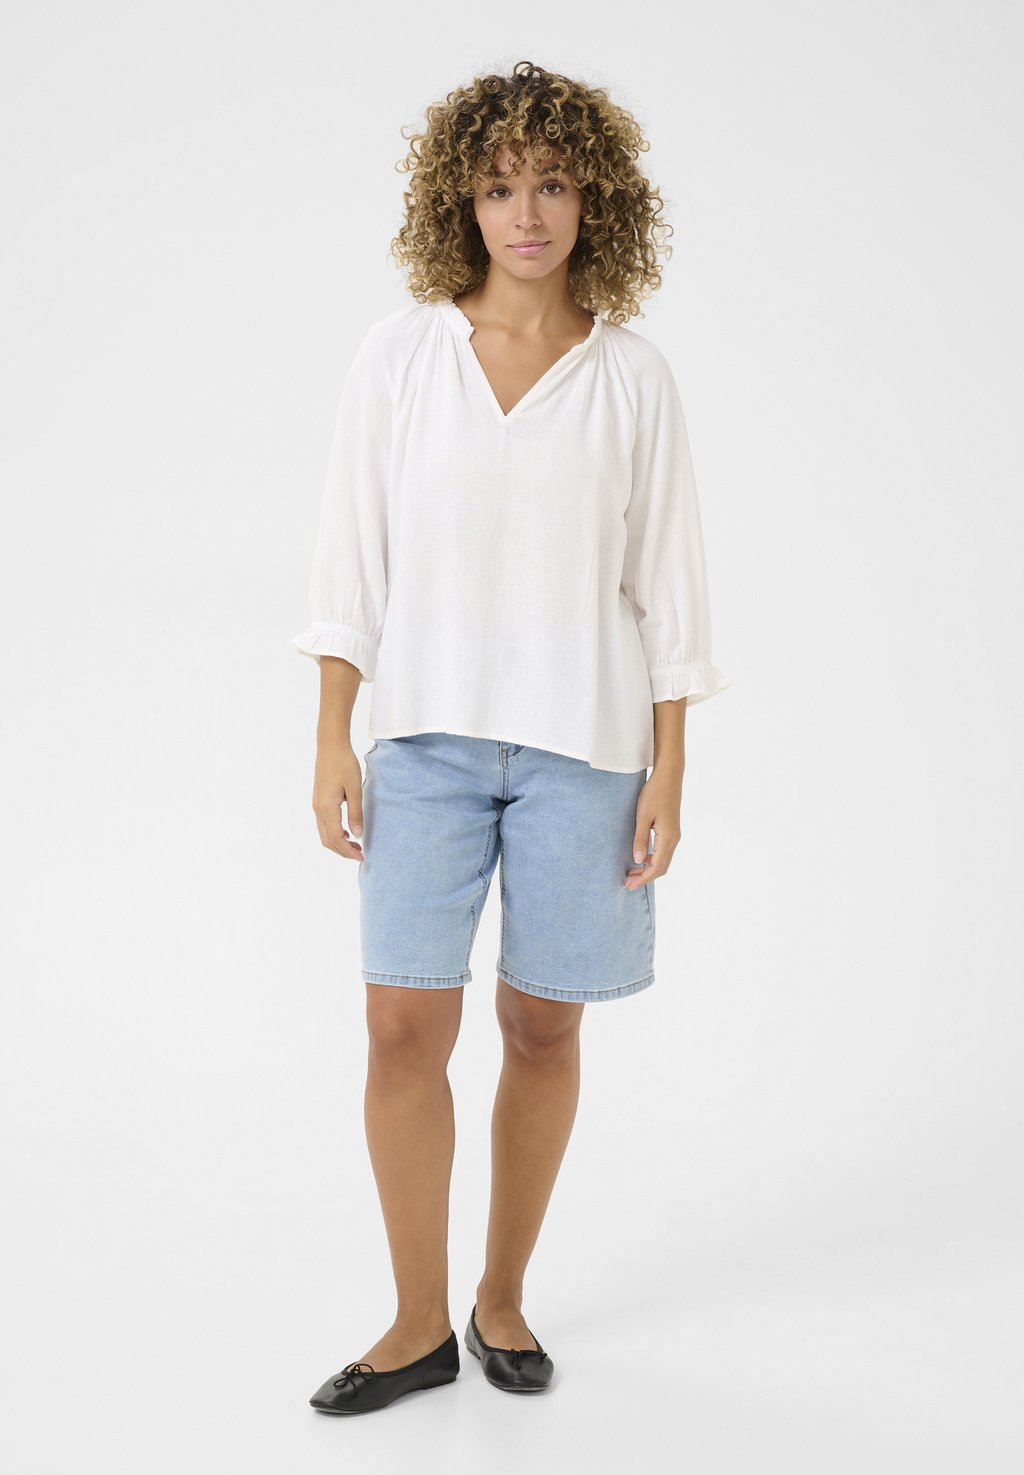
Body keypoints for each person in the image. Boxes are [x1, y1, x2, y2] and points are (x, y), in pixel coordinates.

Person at [292, 60, 732, 1415]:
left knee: (541, 1027)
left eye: (550, 183)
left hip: (583, 753)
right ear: (462, 203)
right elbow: (349, 560)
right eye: (498, 187)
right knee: (399, 1027)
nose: (525, 214)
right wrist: (333, 733)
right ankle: (416, 1322)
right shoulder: (401, 357)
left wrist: (669, 771)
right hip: (422, 742)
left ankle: (500, 1299)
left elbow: (668, 591)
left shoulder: (632, 378)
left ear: (595, 197)